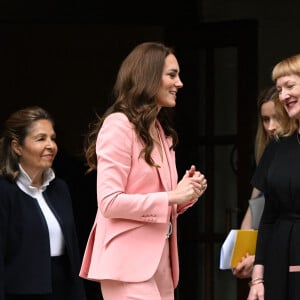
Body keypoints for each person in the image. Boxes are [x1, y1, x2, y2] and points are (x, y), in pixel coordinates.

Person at [79, 41, 208, 300]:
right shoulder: (118, 125)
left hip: (161, 263)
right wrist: (172, 196)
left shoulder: (162, 132)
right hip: (126, 264)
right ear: (148, 77)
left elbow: (160, 203)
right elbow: (109, 202)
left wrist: (186, 194)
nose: (179, 83)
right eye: (171, 75)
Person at [0, 106, 87, 300]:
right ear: (17, 147)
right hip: (21, 294)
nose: (51, 145)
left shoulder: (60, 188)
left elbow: (73, 252)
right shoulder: (5, 192)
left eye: (52, 138)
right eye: (41, 138)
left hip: (63, 291)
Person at [247, 53, 300, 300]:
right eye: (280, 89)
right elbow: (269, 217)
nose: (284, 95)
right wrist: (257, 278)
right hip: (280, 258)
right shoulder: (278, 146)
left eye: (290, 86)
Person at [232, 86, 297, 279]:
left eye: (277, 117)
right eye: (265, 119)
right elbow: (254, 210)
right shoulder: (269, 155)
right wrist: (241, 256)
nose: (270, 127)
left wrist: (259, 258)